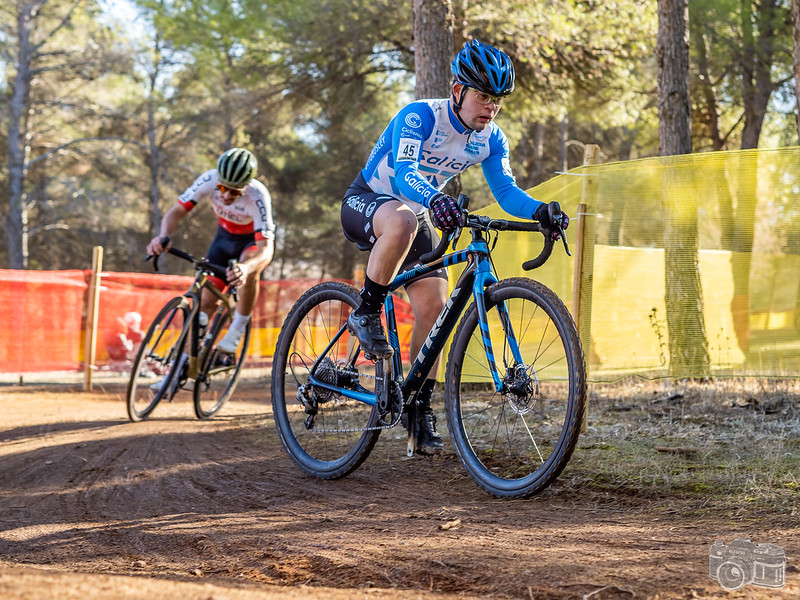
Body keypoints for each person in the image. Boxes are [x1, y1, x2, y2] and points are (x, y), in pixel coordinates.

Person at [340, 40, 569, 455]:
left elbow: (506, 191)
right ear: (458, 90)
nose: (491, 107)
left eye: (498, 100)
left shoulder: (490, 138)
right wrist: (435, 200)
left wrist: (539, 211)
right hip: (369, 201)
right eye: (484, 96)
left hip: (417, 214)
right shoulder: (419, 117)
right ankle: (366, 310)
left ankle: (417, 407)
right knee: (404, 219)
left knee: (435, 308)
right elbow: (406, 173)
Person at [147, 147, 275, 355]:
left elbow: (266, 250)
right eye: (222, 188)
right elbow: (176, 212)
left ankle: (237, 328)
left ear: (246, 187)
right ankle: (181, 367)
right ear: (217, 180)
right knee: (206, 302)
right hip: (223, 239)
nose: (225, 196)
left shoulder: (258, 195)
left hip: (249, 242)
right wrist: (163, 236)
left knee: (249, 268)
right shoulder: (208, 179)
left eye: (234, 192)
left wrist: (246, 267)